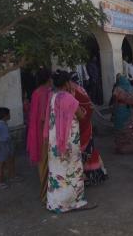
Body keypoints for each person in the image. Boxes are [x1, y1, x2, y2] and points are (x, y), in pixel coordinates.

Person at [44, 71, 96, 212]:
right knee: (73, 170)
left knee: (57, 171)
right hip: (68, 140)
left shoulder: (53, 97)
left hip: (54, 141)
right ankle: (75, 202)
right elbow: (81, 115)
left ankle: (56, 203)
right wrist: (77, 104)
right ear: (67, 83)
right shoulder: (68, 97)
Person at [70, 72, 108, 186]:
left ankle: (83, 177)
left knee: (80, 151)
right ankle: (92, 174)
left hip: (79, 125)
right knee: (88, 150)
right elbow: (88, 106)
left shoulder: (73, 92)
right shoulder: (81, 90)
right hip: (86, 124)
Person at [26, 67, 52, 201]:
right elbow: (43, 117)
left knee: (41, 165)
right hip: (44, 134)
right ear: (48, 79)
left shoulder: (36, 93)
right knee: (47, 164)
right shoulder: (46, 93)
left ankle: (45, 194)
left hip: (36, 132)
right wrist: (46, 136)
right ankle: (46, 195)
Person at [0, 107, 22, 190]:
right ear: (5, 116)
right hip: (2, 145)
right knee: (1, 164)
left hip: (8, 144)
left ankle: (12, 176)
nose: (10, 115)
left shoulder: (4, 123)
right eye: (9, 114)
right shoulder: (0, 125)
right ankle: (0, 182)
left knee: (11, 160)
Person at [112, 75, 133, 154]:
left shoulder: (117, 88)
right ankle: (130, 147)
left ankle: (120, 148)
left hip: (120, 110)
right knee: (129, 128)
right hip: (129, 110)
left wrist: (113, 112)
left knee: (119, 127)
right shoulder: (131, 88)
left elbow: (115, 100)